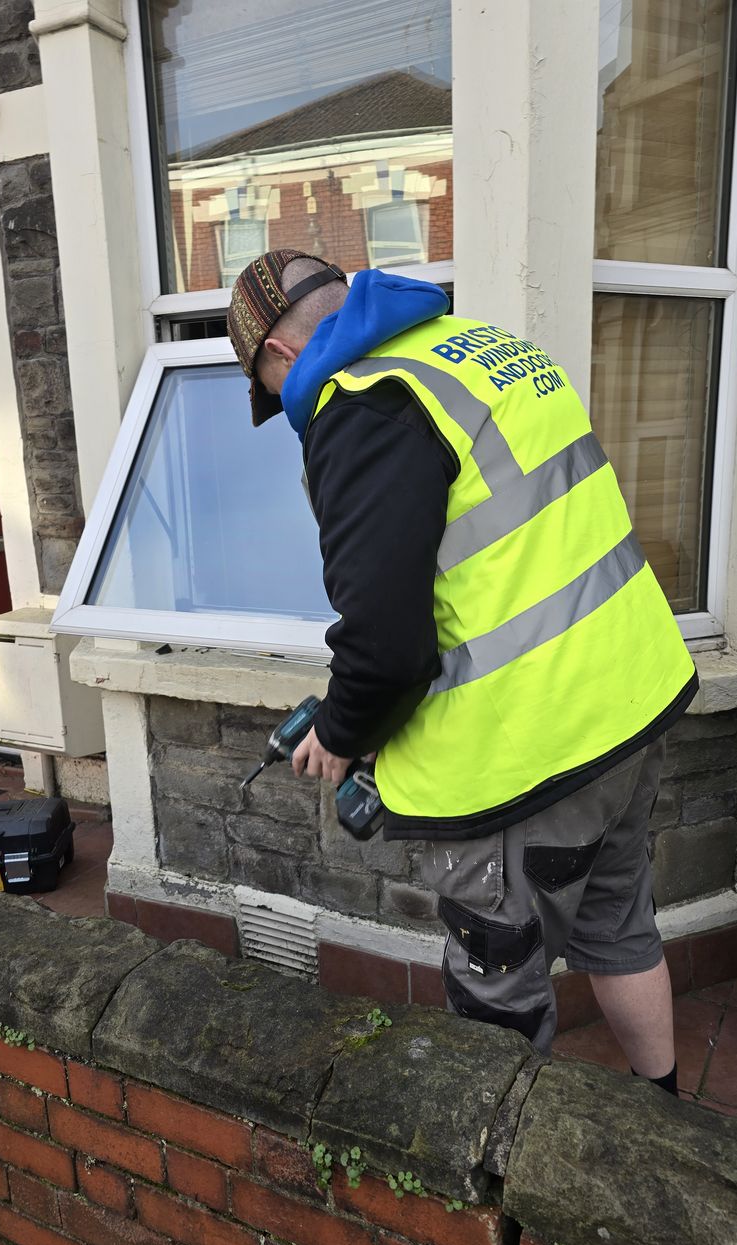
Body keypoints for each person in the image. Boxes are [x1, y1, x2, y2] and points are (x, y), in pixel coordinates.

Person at [227, 249, 697, 1091]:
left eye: (272, 392)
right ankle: (669, 1117)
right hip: (629, 704)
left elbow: (385, 645)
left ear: (281, 358)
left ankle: (499, 1204)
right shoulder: (479, 346)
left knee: (499, 990)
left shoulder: (361, 404)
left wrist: (338, 730)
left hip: (531, 756)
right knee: (620, 928)